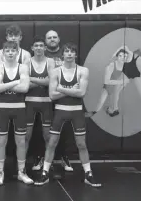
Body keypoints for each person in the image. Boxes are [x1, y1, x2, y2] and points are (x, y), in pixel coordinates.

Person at [34, 43, 101, 188]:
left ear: (75, 55)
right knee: (51, 143)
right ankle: (44, 173)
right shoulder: (56, 72)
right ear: (62, 55)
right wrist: (71, 89)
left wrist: (61, 88)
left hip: (77, 111)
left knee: (81, 144)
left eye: (72, 52)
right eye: (67, 52)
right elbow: (52, 95)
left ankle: (88, 174)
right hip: (60, 110)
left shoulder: (83, 70)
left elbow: (81, 93)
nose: (69, 54)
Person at [31, 30, 73, 174]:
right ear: (45, 42)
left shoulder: (67, 53)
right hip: (43, 97)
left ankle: (62, 155)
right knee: (40, 129)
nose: (52, 39)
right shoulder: (42, 55)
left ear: (59, 39)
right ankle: (40, 156)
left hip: (61, 96)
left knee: (63, 127)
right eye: (49, 38)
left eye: (55, 37)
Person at [0, 41, 33, 186]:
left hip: (19, 108)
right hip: (3, 108)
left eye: (13, 50)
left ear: (17, 52)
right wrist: (15, 81)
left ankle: (22, 172)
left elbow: (25, 88)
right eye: (7, 50)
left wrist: (5, 85)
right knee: (1, 142)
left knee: (21, 142)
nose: (10, 53)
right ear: (3, 53)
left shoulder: (23, 67)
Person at [24, 36, 55, 172]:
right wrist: (42, 80)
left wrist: (31, 79)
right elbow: (24, 85)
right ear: (32, 48)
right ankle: (22, 165)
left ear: (45, 48)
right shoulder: (26, 62)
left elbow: (52, 81)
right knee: (26, 136)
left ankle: (48, 164)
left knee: (48, 136)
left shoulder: (50, 61)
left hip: (46, 102)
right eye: (36, 45)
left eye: (41, 45)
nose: (38, 48)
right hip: (29, 103)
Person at [86, 48, 129, 117]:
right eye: (120, 56)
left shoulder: (126, 67)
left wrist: (122, 85)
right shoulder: (111, 65)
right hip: (108, 87)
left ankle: (111, 110)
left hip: (116, 88)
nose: (122, 58)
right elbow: (106, 81)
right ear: (117, 56)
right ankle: (94, 112)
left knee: (115, 102)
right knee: (101, 102)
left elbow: (126, 80)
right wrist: (121, 82)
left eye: (125, 56)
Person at [122, 47, 141, 115]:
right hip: (134, 74)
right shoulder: (140, 59)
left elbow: (123, 64)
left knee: (119, 87)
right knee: (140, 90)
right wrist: (140, 78)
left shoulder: (132, 56)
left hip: (128, 73)